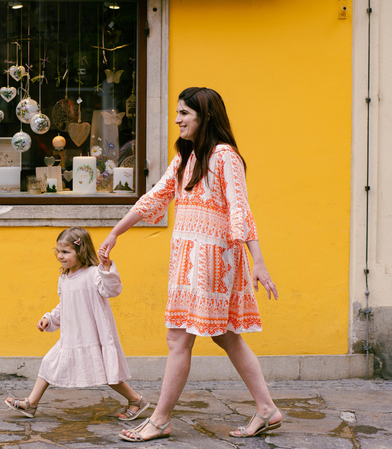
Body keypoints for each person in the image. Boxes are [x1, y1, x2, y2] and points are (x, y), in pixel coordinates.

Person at [99, 87, 281, 442]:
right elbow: (157, 196)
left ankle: (160, 419)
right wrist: (115, 232)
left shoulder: (224, 156)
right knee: (226, 336)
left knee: (178, 338)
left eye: (185, 113)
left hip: (212, 260)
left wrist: (258, 260)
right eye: (178, 113)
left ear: (205, 117)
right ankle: (267, 409)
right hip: (188, 259)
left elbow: (240, 209)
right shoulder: (186, 157)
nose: (178, 119)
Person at [5, 226, 149, 422]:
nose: (60, 256)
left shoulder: (93, 274)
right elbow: (64, 305)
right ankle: (31, 403)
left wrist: (106, 268)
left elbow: (112, 290)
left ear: (80, 251)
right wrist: (49, 318)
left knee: (108, 374)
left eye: (65, 252)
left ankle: (136, 400)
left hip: (93, 333)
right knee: (48, 362)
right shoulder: (64, 278)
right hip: (72, 335)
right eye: (58, 251)